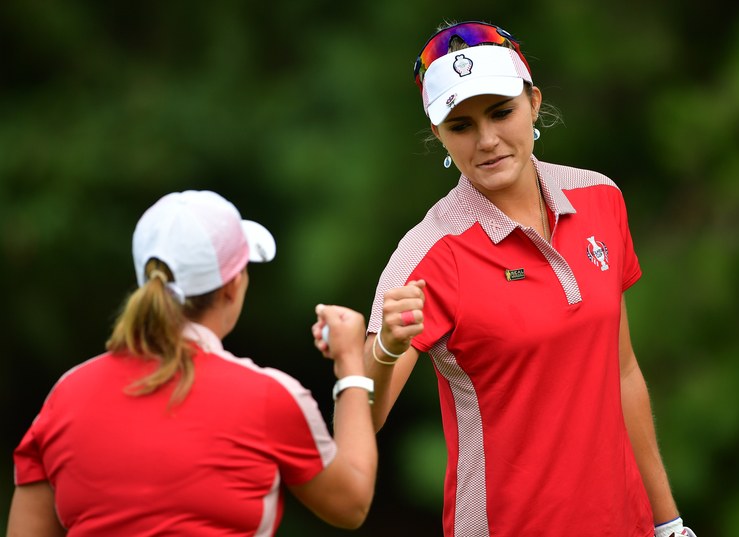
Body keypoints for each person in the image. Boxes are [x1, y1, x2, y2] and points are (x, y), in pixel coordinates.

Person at [363, 20, 696, 537]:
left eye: (501, 112)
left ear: (534, 102)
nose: (488, 140)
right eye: (462, 125)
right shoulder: (428, 254)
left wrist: (667, 519)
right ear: (438, 134)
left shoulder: (599, 198)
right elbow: (366, 418)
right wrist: (384, 349)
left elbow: (622, 371)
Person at [8, 190, 379, 536]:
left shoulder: (65, 397)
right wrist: (350, 362)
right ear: (233, 286)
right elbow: (351, 502)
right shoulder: (270, 396)